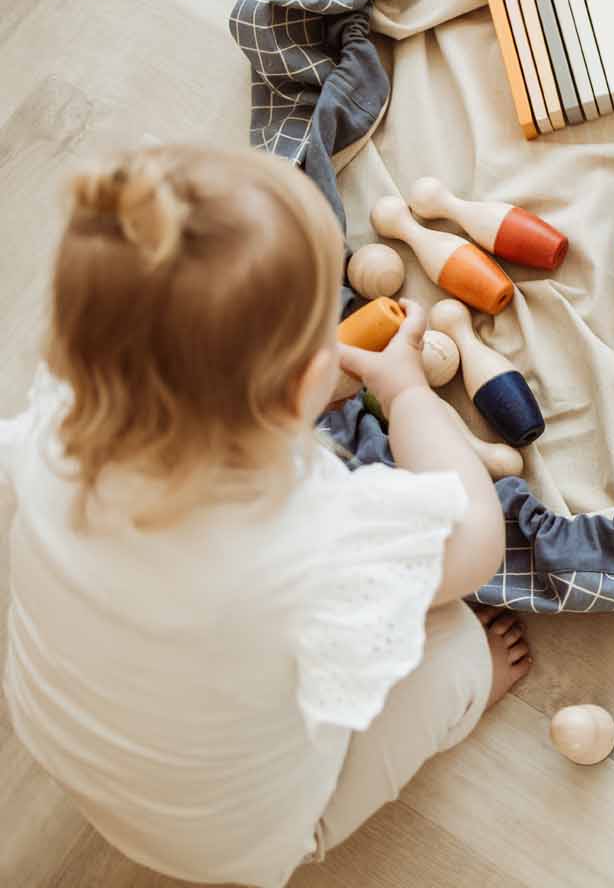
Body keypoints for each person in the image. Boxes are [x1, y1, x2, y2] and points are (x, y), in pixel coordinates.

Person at [0, 145, 529, 886]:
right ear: (301, 387)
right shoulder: (314, 540)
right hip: (231, 845)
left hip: (70, 746)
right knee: (457, 643)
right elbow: (477, 540)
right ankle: (441, 717)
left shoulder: (56, 422)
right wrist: (408, 394)